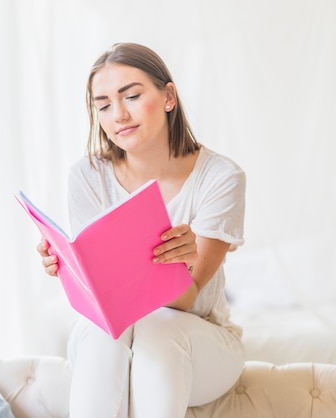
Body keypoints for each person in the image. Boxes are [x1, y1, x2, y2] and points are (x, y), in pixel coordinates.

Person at [36, 43, 246, 417]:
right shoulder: (87, 176)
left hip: (200, 340)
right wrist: (69, 268)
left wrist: (184, 260)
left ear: (168, 97)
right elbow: (100, 298)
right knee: (105, 331)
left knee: (158, 328)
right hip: (112, 335)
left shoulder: (220, 177)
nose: (118, 114)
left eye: (131, 96)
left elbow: (186, 301)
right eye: (103, 105)